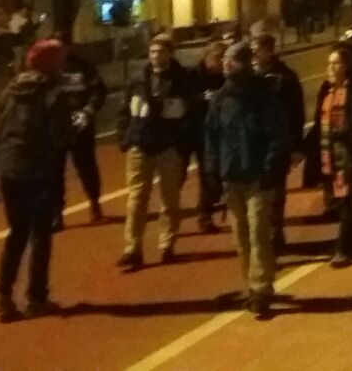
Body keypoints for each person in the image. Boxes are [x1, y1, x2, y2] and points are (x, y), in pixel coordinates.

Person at [0, 39, 75, 322]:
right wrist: (74, 128)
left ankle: (2, 293)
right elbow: (61, 136)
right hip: (40, 170)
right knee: (41, 234)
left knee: (17, 232)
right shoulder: (53, 93)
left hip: (9, 169)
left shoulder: (10, 90)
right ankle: (36, 297)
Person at [204, 40, 289, 317]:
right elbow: (211, 138)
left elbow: (277, 136)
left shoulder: (264, 95)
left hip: (258, 178)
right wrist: (212, 172)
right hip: (232, 177)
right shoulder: (220, 99)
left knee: (258, 233)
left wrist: (269, 169)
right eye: (225, 60)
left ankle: (261, 288)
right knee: (240, 237)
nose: (225, 64)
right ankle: (251, 285)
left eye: (232, 60)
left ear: (243, 63)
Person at [117, 34, 199, 270]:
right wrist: (125, 137)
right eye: (152, 52)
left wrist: (183, 142)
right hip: (140, 143)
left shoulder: (183, 80)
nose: (156, 56)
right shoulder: (138, 79)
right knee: (136, 198)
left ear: (170, 54)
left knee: (169, 198)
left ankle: (167, 244)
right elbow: (124, 110)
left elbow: (193, 113)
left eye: (161, 52)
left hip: (169, 146)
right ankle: (132, 248)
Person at [308, 45, 352, 267]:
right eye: (330, 63)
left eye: (337, 63)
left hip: (348, 153)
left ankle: (343, 248)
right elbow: (319, 122)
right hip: (329, 153)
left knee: (346, 198)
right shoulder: (326, 89)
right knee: (339, 200)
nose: (332, 68)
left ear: (347, 66)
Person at [254, 32, 305, 250]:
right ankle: (261, 236)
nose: (255, 53)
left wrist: (296, 146)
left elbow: (296, 113)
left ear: (269, 51)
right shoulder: (249, 77)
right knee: (256, 193)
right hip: (254, 144)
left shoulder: (286, 78)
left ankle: (275, 235)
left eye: (258, 49)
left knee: (275, 192)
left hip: (278, 143)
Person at [54, 39, 106, 229]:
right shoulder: (49, 68)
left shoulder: (85, 66)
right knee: (54, 171)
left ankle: (95, 204)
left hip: (80, 122)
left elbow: (98, 90)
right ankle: (56, 213)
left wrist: (88, 111)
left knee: (86, 166)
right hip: (56, 125)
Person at [191, 41, 228, 232]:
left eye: (224, 58)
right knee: (208, 174)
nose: (221, 62)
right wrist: (201, 98)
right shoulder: (194, 76)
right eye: (218, 58)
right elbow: (185, 99)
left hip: (221, 131)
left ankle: (205, 211)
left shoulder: (225, 76)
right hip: (199, 131)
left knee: (216, 174)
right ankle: (203, 213)